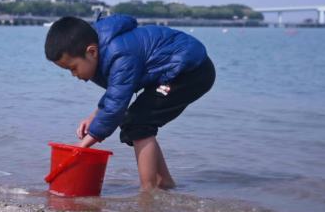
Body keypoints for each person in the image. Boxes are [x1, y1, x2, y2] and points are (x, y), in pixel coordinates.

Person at [44, 14, 215, 190]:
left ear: (92, 52)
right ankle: (163, 181)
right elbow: (117, 91)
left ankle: (148, 192)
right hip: (170, 72)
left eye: (73, 68)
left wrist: (82, 147)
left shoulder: (119, 54)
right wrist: (94, 116)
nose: (74, 75)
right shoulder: (104, 52)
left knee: (139, 122)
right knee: (136, 123)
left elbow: (116, 104)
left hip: (191, 71)